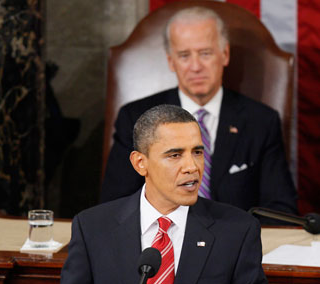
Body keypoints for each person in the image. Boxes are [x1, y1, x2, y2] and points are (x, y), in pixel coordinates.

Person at [0, 104, 300, 284]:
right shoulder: (95, 227)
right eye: (174, 155)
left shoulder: (236, 230)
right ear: (140, 163)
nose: (192, 166)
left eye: (198, 151)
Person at [100, 6, 297, 217]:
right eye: (184, 55)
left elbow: (280, 211)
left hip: (233, 242)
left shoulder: (261, 121)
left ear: (225, 54)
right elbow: (116, 205)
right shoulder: (135, 118)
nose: (195, 67)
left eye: (205, 53)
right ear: (171, 61)